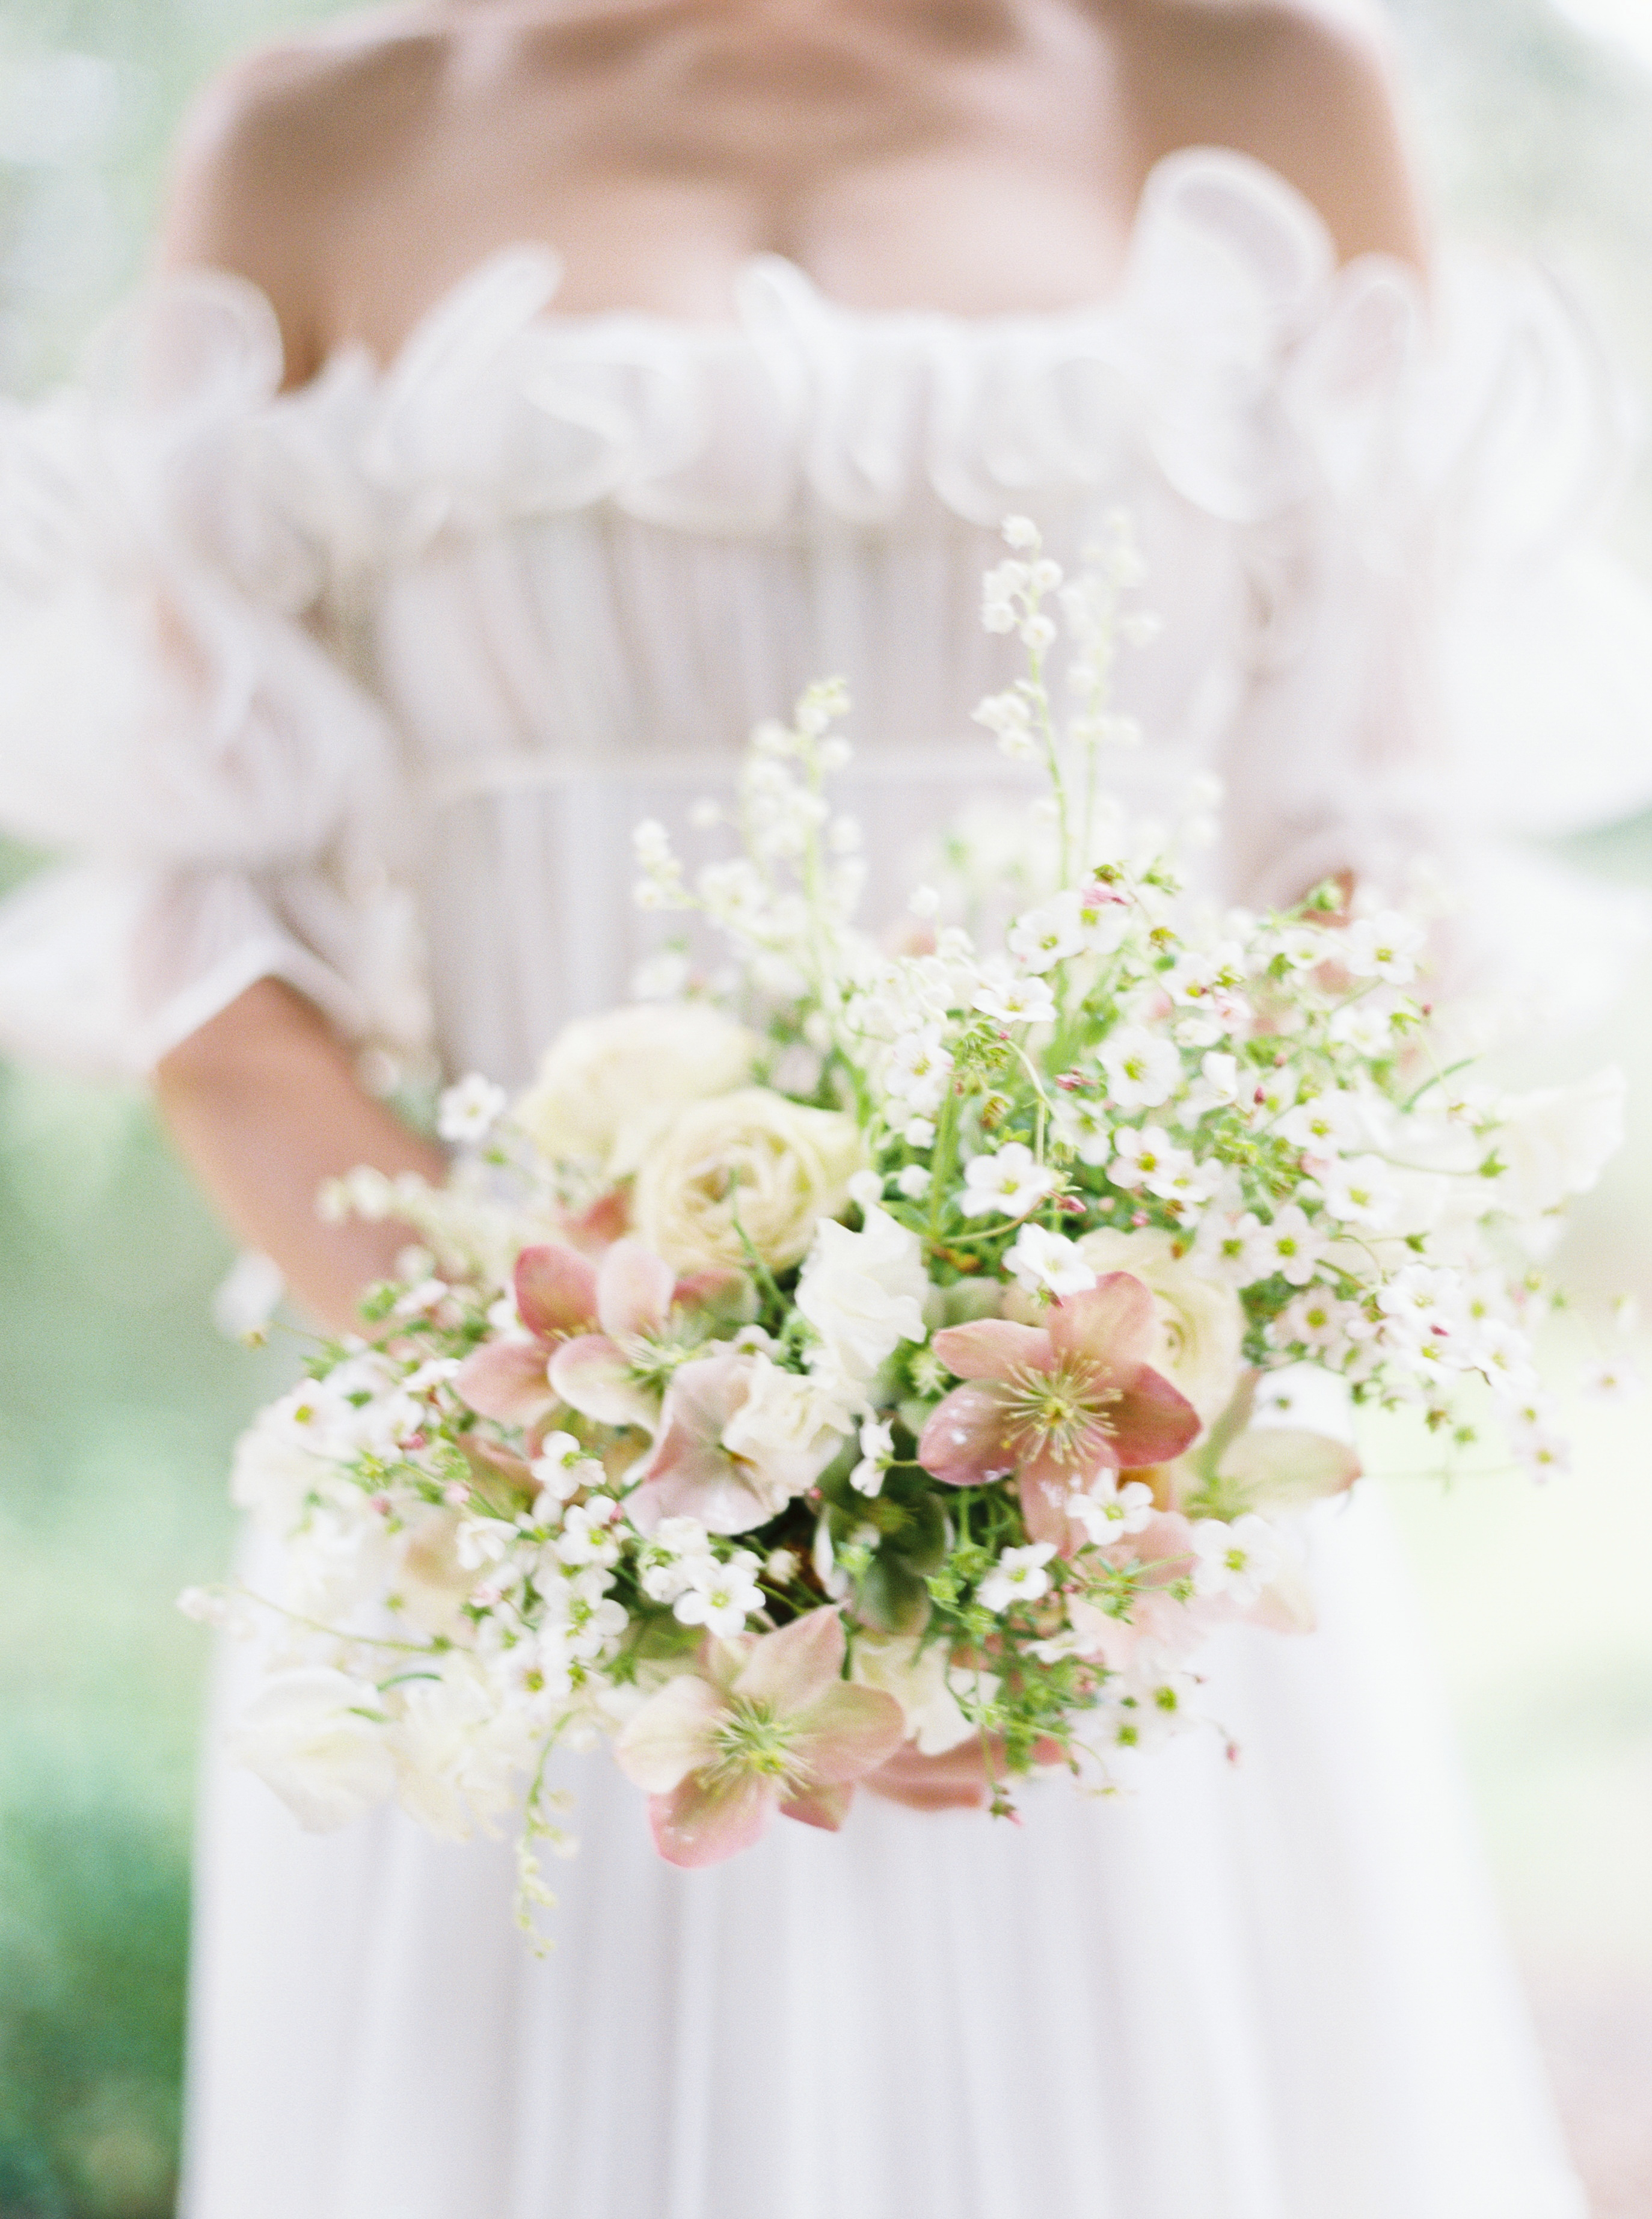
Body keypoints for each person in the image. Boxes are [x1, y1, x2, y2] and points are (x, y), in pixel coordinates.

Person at [0, 2, 1637, 2212]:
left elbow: (1366, 883)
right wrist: (617, 1486)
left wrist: (1048, 1495)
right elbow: (214, 970)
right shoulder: (317, 139)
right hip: (519, 1522)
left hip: (1110, 1495)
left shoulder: (1261, 91)